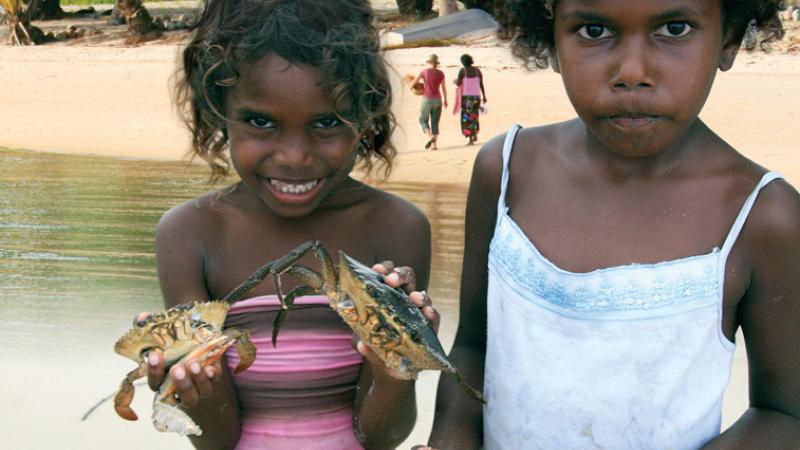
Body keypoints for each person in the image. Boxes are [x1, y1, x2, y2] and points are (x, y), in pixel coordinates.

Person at [422, 1, 800, 449]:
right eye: (594, 30)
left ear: (729, 39)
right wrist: (450, 437)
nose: (632, 72)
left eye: (675, 29)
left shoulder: (764, 216)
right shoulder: (505, 171)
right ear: (550, 36)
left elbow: (785, 413)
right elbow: (471, 348)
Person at [142, 1, 436, 449]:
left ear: (366, 113)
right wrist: (193, 389)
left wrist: (397, 367)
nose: (295, 157)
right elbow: (217, 441)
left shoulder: (398, 227)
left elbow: (382, 436)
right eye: (261, 122)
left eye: (326, 123)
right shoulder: (190, 234)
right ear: (218, 108)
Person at [411, 53, 448, 150]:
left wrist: (412, 89)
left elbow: (412, 83)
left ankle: (430, 136)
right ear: (436, 62)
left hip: (426, 99)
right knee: (435, 122)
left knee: (423, 120)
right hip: (438, 100)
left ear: (429, 62)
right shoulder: (441, 73)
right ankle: (434, 145)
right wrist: (445, 100)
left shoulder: (424, 72)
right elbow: (443, 87)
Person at [454, 54, 487, 145]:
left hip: (467, 98)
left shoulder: (462, 71)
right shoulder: (477, 70)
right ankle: (475, 133)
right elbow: (481, 84)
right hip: (476, 97)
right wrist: (484, 96)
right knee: (474, 116)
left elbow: (458, 83)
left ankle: (471, 139)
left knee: (466, 117)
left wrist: (455, 81)